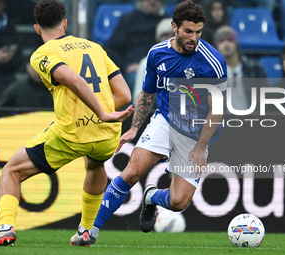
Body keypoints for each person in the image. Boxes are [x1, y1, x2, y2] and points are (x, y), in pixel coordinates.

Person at [0, 0, 134, 247]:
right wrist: (102, 116)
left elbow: (74, 80)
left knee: (11, 171)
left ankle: (5, 228)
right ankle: (86, 231)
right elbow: (124, 95)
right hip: (107, 133)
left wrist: (98, 114)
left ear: (37, 29)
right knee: (95, 167)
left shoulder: (43, 54)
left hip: (74, 131)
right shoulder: (94, 47)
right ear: (65, 22)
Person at [87, 0, 227, 244]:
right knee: (132, 170)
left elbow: (216, 112)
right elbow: (147, 93)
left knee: (178, 202)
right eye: (188, 31)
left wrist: (199, 147)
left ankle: (152, 197)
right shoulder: (157, 53)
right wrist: (134, 128)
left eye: (198, 32)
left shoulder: (213, 62)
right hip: (164, 120)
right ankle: (90, 231)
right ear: (174, 27)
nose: (194, 37)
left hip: (194, 132)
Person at [105, 0, 171, 94]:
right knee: (138, 80)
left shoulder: (168, 22)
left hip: (163, 68)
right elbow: (113, 49)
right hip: (134, 71)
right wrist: (125, 67)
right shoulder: (128, 20)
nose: (152, 2)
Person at [213, 25, 266, 111]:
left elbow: (265, 98)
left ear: (236, 43)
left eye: (230, 40)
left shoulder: (254, 67)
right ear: (216, 46)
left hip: (252, 120)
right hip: (225, 122)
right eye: (221, 41)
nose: (226, 44)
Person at [133, 17, 174, 108]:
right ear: (158, 38)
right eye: (165, 35)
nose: (170, 38)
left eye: (174, 34)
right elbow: (138, 100)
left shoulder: (190, 60)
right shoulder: (146, 62)